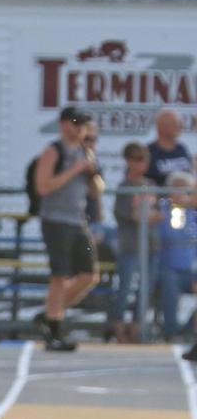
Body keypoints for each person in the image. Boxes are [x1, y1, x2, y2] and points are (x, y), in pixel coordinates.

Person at [34, 106, 103, 352]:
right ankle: (54, 328)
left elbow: (96, 191)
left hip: (78, 219)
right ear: (64, 124)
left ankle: (50, 314)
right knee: (59, 275)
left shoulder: (86, 152)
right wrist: (74, 170)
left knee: (89, 274)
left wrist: (92, 174)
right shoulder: (54, 151)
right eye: (76, 123)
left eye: (83, 124)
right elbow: (42, 186)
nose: (80, 128)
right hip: (55, 219)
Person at [109, 142, 160, 343]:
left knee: (145, 291)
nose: (143, 164)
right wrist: (144, 215)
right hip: (130, 245)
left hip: (151, 244)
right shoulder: (124, 187)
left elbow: (158, 214)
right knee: (124, 288)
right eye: (138, 159)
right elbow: (128, 215)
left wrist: (144, 215)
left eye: (145, 159)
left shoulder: (151, 185)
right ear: (129, 161)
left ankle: (137, 328)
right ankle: (118, 329)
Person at [156, 171, 197, 341]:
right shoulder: (163, 208)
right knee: (170, 287)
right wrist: (177, 207)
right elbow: (172, 235)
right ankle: (171, 331)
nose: (181, 195)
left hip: (190, 270)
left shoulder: (193, 213)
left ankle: (188, 330)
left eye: (185, 190)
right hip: (167, 268)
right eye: (177, 189)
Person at [147, 109, 193, 186]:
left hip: (184, 196)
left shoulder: (181, 148)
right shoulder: (148, 152)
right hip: (160, 196)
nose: (180, 127)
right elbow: (141, 182)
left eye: (180, 124)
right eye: (175, 124)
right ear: (161, 127)